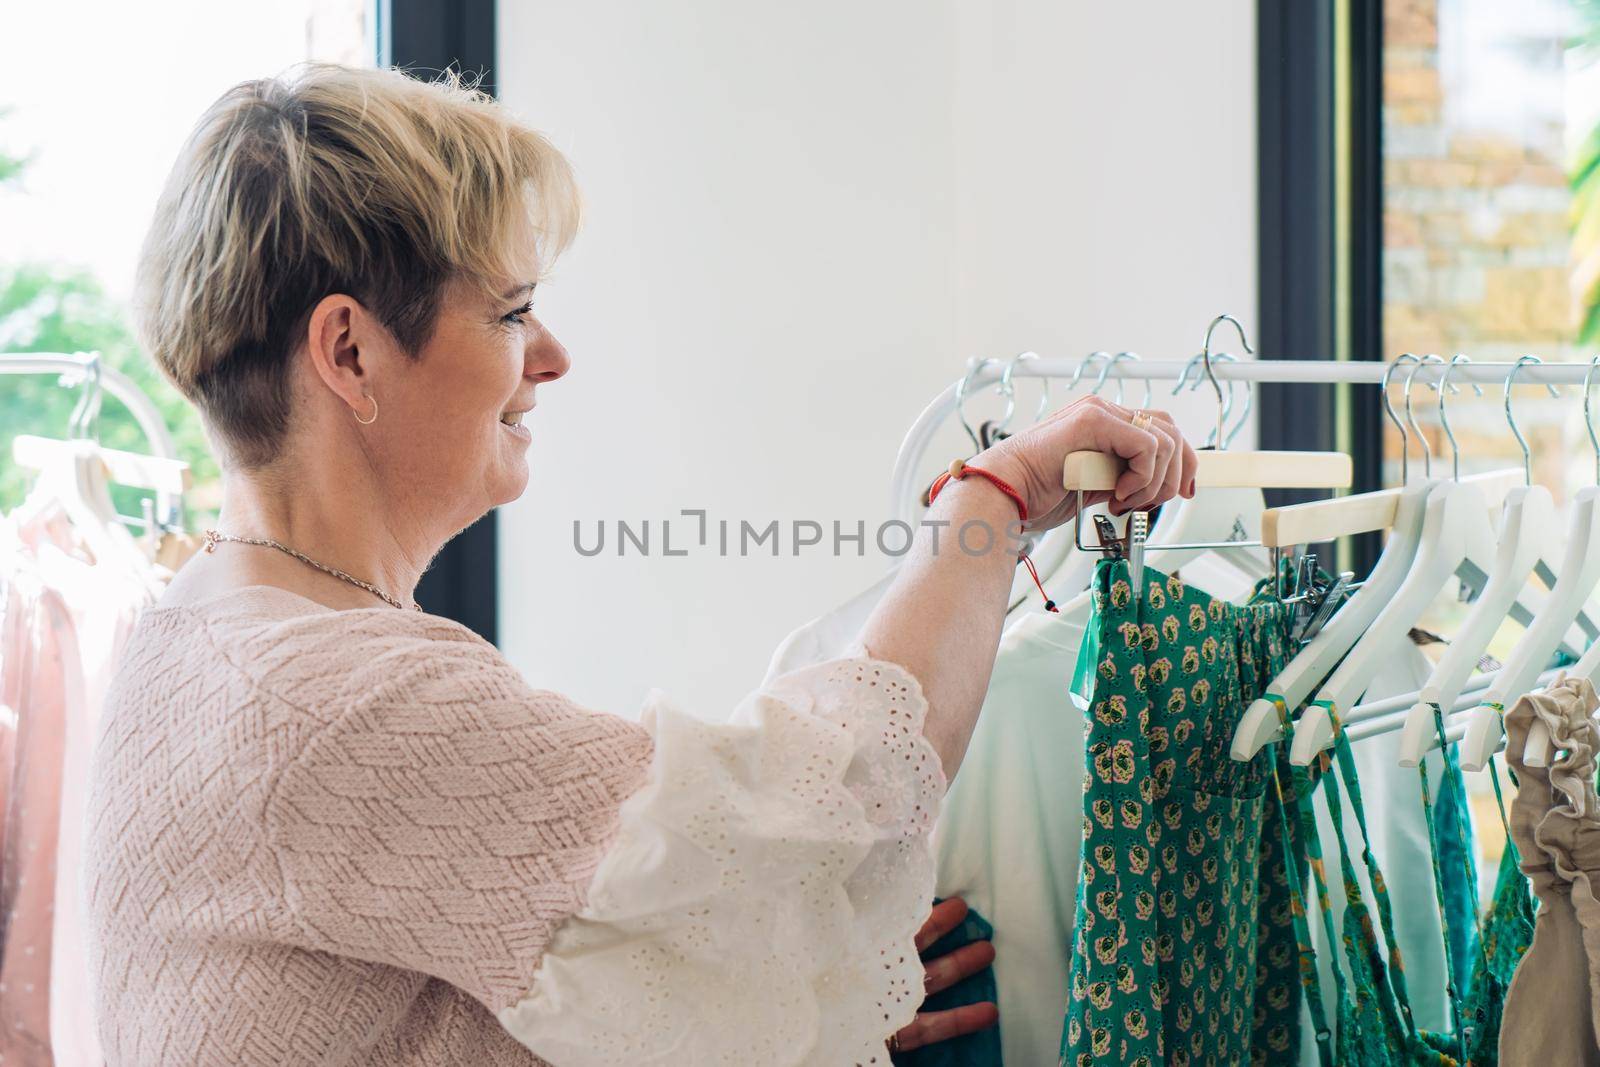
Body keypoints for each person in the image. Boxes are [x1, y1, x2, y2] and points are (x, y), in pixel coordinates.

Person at [83, 64, 1196, 1066]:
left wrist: (793, 982)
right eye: (513, 311)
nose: (553, 356)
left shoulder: (198, 636)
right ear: (350, 350)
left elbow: (520, 972)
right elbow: (822, 799)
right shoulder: (333, 700)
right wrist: (990, 501)